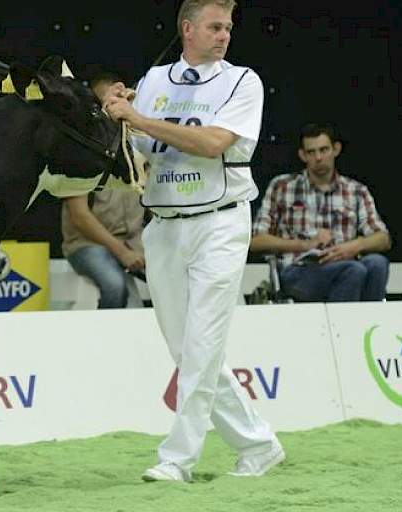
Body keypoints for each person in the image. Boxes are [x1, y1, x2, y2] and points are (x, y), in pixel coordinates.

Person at [104, 0, 283, 482]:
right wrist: (116, 112)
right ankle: (258, 444)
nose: (224, 35)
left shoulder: (243, 81)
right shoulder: (155, 80)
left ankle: (176, 459)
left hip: (221, 223)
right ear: (187, 29)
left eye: (228, 27)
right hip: (162, 226)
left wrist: (137, 118)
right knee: (188, 352)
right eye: (214, 26)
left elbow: (212, 143)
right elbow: (134, 150)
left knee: (202, 346)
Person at [250, 123, 391, 301]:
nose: (318, 157)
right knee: (353, 270)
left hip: (346, 262)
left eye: (324, 150)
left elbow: (383, 238)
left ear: (336, 149)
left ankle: (370, 324)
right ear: (302, 155)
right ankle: (345, 327)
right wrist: (307, 245)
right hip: (299, 269)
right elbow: (256, 241)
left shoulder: (356, 190)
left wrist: (352, 247)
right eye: (311, 152)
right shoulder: (282, 186)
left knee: (377, 264)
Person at [61, 70, 147, 309]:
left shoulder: (138, 143)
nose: (111, 108)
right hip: (88, 245)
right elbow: (79, 216)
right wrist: (122, 253)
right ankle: (106, 344)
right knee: (114, 285)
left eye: (118, 100)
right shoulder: (81, 151)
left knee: (175, 276)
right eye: (104, 102)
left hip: (134, 241)